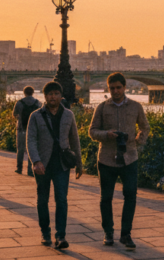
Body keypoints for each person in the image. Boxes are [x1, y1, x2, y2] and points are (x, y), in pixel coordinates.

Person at [88, 73, 149, 249]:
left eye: (118, 87)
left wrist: (138, 140)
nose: (115, 91)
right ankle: (108, 233)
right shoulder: (101, 108)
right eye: (112, 88)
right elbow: (92, 131)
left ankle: (126, 234)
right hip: (106, 158)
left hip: (129, 158)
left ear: (124, 87)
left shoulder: (136, 107)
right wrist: (106, 135)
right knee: (106, 197)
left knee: (130, 195)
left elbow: (145, 126)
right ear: (109, 89)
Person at [26, 81, 82, 249]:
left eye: (56, 94)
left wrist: (79, 163)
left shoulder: (68, 115)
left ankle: (60, 235)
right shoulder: (35, 116)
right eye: (50, 94)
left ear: (61, 96)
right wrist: (35, 161)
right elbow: (31, 140)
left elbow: (74, 140)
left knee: (61, 200)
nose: (53, 97)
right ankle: (45, 232)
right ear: (45, 96)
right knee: (42, 200)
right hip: (42, 164)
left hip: (62, 165)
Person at [13, 86, 41, 176]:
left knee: (20, 149)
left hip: (21, 129)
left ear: (24, 92)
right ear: (33, 92)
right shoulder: (38, 103)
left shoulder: (19, 103)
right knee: (31, 149)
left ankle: (19, 168)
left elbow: (14, 114)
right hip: (33, 130)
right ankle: (30, 170)